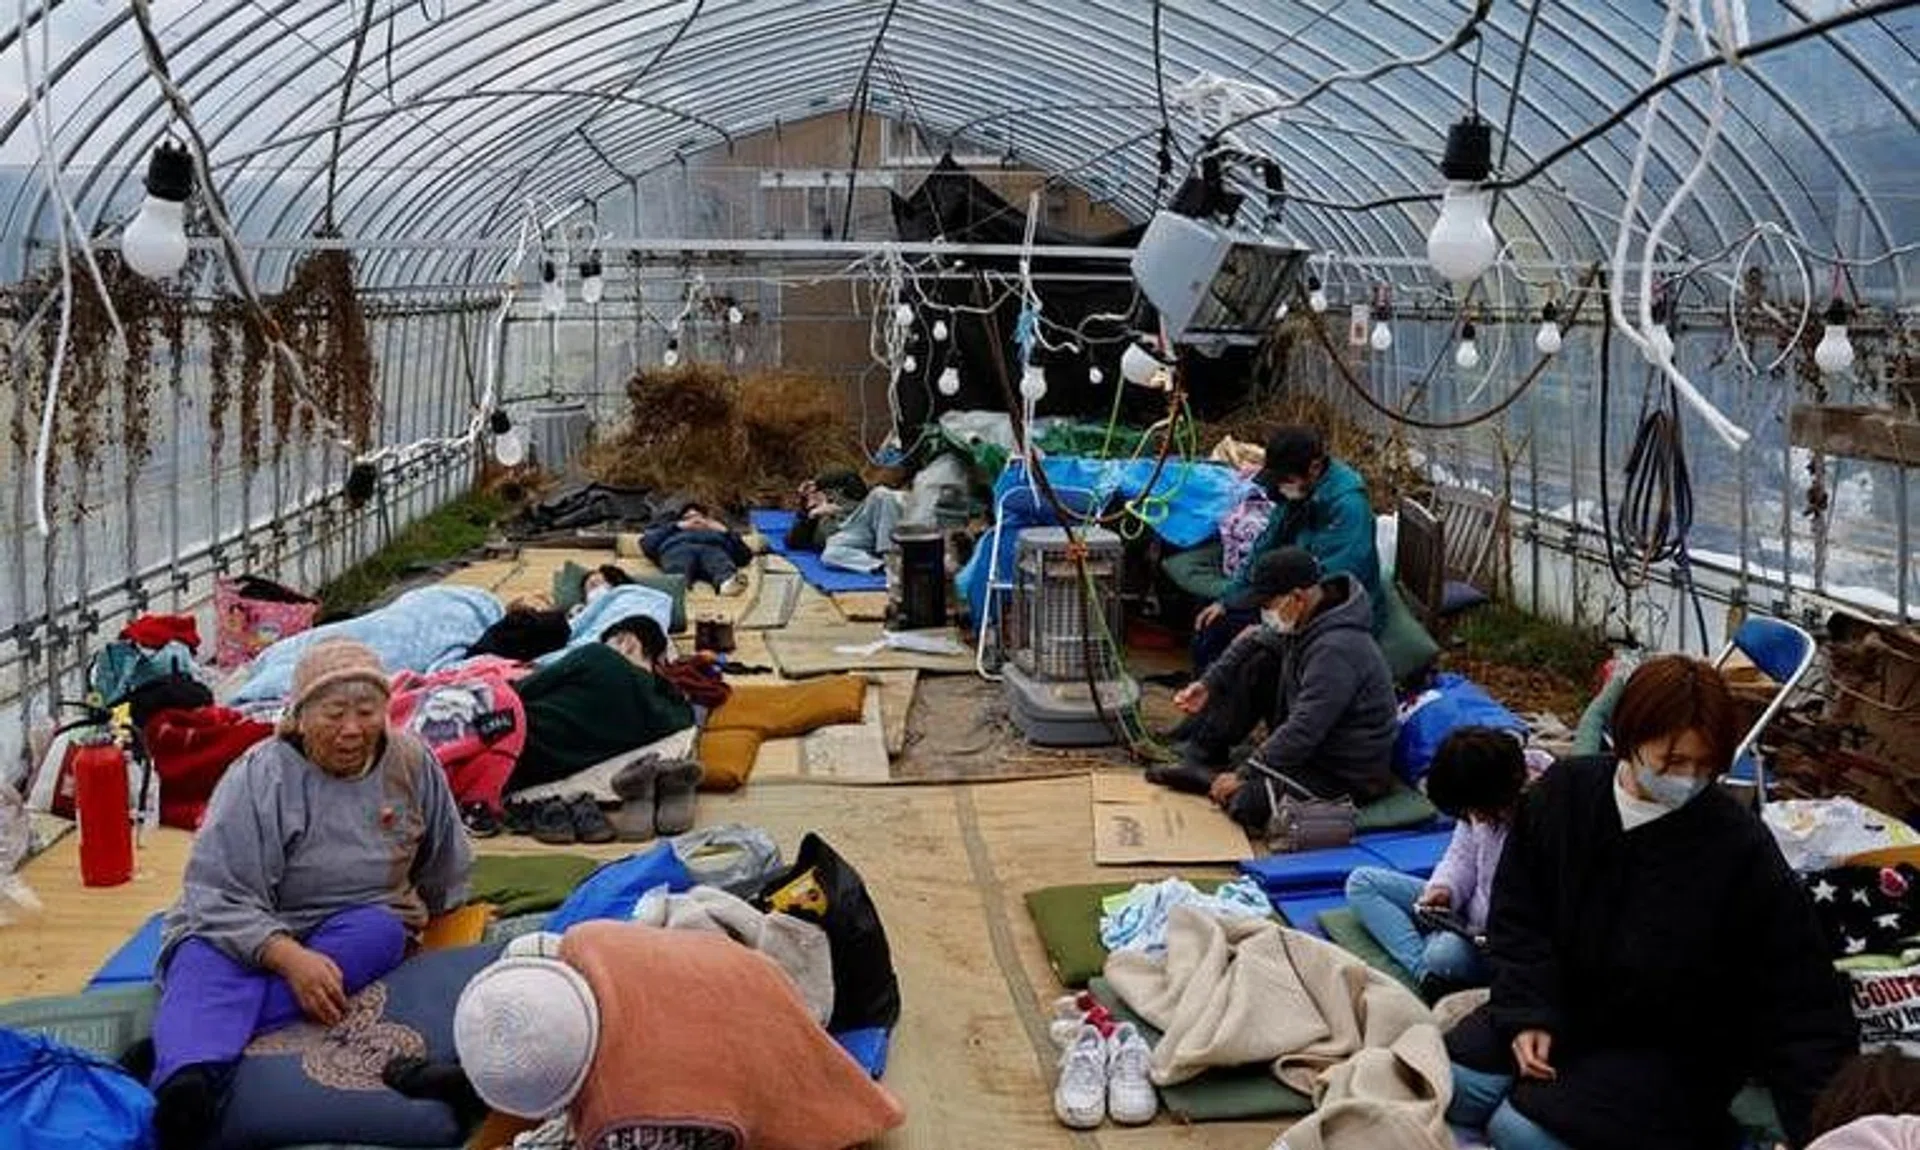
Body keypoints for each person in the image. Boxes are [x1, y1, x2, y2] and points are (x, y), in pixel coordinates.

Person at [1445, 655, 1856, 1150]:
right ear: (1629, 739)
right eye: (1672, 762)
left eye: (1705, 766)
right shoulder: (1564, 794)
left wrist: (1828, 1130)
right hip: (1564, 1002)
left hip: (1666, 1047)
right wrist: (1528, 1012)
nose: (1689, 778)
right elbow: (1518, 918)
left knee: (1519, 1128)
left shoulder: (1739, 847)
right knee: (1458, 1081)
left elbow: (1800, 992)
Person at [148, 639, 473, 1150]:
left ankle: (193, 1038)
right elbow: (216, 893)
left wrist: (441, 925)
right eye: (334, 713)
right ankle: (188, 1083)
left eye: (367, 712)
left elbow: (445, 859)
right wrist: (288, 957)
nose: (352, 729)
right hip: (246, 921)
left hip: (347, 922)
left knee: (381, 932)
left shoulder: (411, 763)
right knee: (200, 955)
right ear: (299, 717)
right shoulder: (261, 775)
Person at [1147, 546, 1397, 829]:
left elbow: (1304, 729)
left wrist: (1244, 774)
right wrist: (1208, 684)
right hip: (1311, 749)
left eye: (1267, 605)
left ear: (1297, 598)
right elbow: (1252, 639)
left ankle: (1212, 780)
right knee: (1258, 661)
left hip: (1344, 771)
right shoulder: (1307, 620)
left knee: (1247, 805)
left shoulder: (1336, 649)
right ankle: (1206, 755)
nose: (1265, 612)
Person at [1345, 727, 1527, 1000]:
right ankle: (1427, 974)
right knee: (1362, 882)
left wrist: (1476, 933)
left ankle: (1431, 967)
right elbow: (1460, 856)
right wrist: (1444, 890)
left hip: (1499, 940)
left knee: (1444, 956)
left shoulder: (1540, 820)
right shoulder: (1478, 804)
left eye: (1476, 811)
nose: (1475, 818)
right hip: (1467, 915)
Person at [1191, 425, 1383, 672]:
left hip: (1326, 610)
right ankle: (1205, 689)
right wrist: (1228, 600)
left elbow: (1335, 582)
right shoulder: (1295, 494)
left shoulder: (1348, 509)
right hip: (1289, 593)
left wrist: (1270, 627)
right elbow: (1264, 547)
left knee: (1254, 656)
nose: (1281, 486)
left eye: (1287, 479)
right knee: (1213, 625)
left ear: (1314, 468)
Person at [641, 504, 752, 595]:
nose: (694, 521)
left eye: (699, 518)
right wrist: (676, 526)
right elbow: (647, 545)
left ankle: (727, 584)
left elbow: (744, 556)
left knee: (719, 561)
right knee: (679, 564)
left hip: (712, 548)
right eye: (688, 518)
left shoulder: (718, 533)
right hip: (679, 548)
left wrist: (726, 531)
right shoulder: (672, 530)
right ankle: (678, 588)